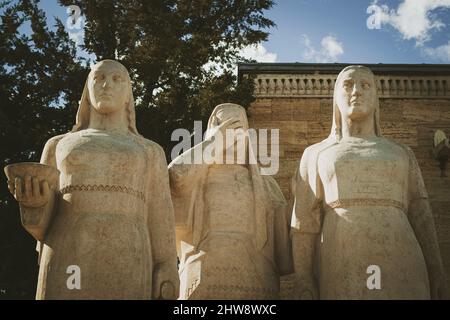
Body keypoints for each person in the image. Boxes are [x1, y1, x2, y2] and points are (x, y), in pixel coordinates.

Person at [7, 60, 179, 299]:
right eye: (98, 78)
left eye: (117, 79)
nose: (106, 85)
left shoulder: (149, 150)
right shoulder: (58, 145)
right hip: (67, 248)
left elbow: (160, 213)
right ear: (87, 88)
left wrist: (167, 262)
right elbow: (41, 227)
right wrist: (34, 204)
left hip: (130, 252)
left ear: (129, 94)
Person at [291, 65, 447, 299]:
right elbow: (304, 223)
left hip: (404, 261)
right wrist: (303, 277)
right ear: (336, 97)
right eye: (348, 84)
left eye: (365, 85)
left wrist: (437, 271)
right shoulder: (316, 154)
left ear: (375, 97)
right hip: (341, 261)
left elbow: (421, 214)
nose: (356, 91)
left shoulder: (402, 153)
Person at [169, 103, 292, 299]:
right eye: (222, 124)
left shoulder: (268, 186)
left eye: (236, 126)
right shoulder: (197, 179)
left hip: (257, 281)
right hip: (202, 280)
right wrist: (215, 141)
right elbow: (176, 177)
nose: (230, 132)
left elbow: (284, 247)